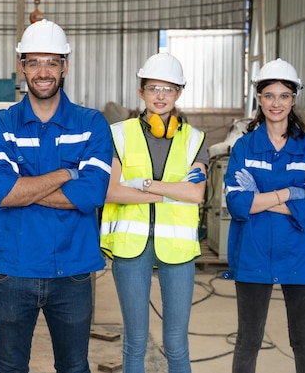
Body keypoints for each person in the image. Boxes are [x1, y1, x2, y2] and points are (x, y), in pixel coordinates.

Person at [0, 19, 114, 373]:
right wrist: (65, 174)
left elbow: (94, 191)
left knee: (73, 367)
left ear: (65, 66)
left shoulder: (91, 124)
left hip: (74, 271)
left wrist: (25, 186)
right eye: (34, 62)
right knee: (9, 367)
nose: (43, 71)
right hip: (14, 270)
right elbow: (1, 191)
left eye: (52, 62)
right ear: (21, 67)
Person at [100, 52, 208, 373]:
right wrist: (169, 193)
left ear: (179, 93)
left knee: (176, 343)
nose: (160, 96)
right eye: (153, 88)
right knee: (135, 340)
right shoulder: (118, 133)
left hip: (178, 250)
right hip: (130, 248)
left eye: (169, 88)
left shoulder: (193, 139)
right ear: (141, 92)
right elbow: (110, 191)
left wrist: (145, 184)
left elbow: (196, 193)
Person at [223, 58, 305, 373]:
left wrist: (260, 197)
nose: (276, 103)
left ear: (294, 98)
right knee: (248, 340)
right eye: (269, 95)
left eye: (284, 96)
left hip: (301, 255)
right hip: (254, 254)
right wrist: (289, 193)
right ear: (259, 98)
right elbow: (237, 204)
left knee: (304, 340)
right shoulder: (244, 147)